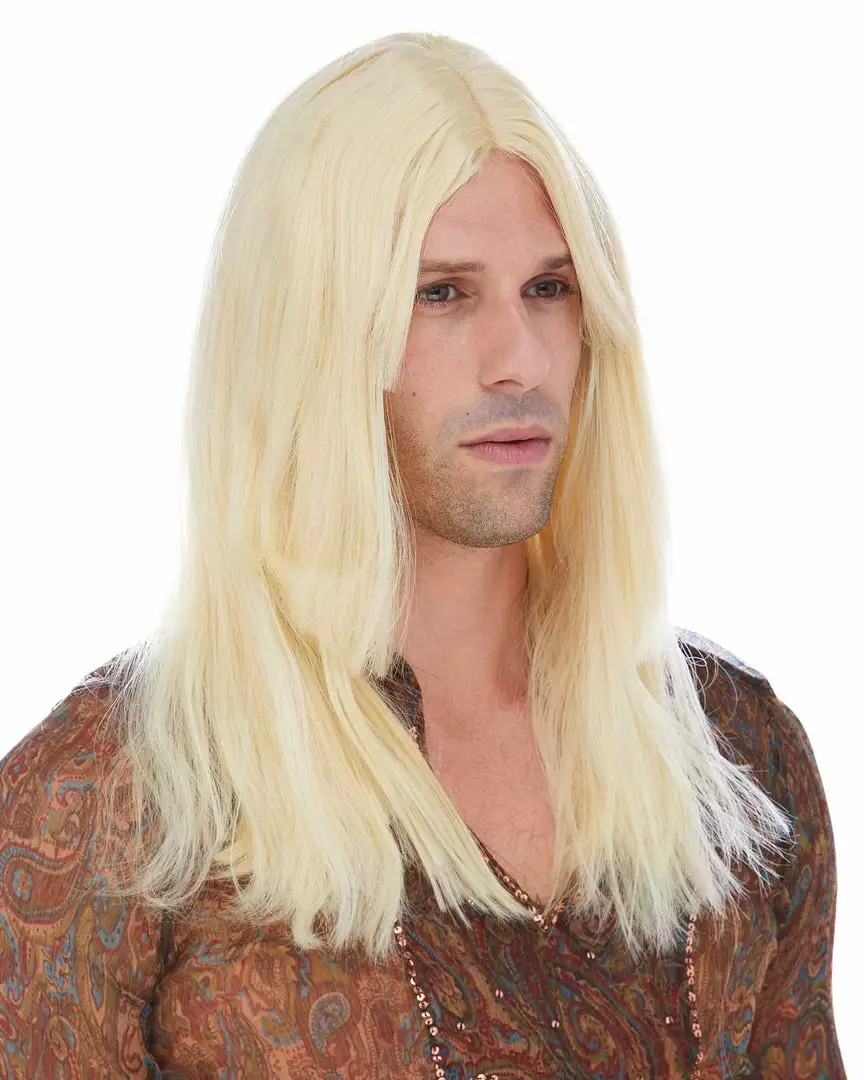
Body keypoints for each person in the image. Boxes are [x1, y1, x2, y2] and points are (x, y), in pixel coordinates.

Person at [0, 30, 845, 1079]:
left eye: (550, 289)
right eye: (441, 293)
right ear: (309, 334)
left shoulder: (733, 756)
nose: (519, 360)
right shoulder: (114, 795)